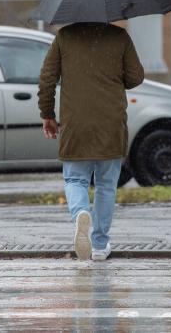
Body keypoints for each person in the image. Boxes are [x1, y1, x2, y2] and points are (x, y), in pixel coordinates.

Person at [38, 22, 145, 261]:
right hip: (111, 122)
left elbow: (47, 79)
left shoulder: (64, 37)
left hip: (76, 123)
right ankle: (98, 245)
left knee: (75, 179)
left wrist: (47, 115)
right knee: (106, 186)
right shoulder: (119, 37)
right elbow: (136, 77)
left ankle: (81, 214)